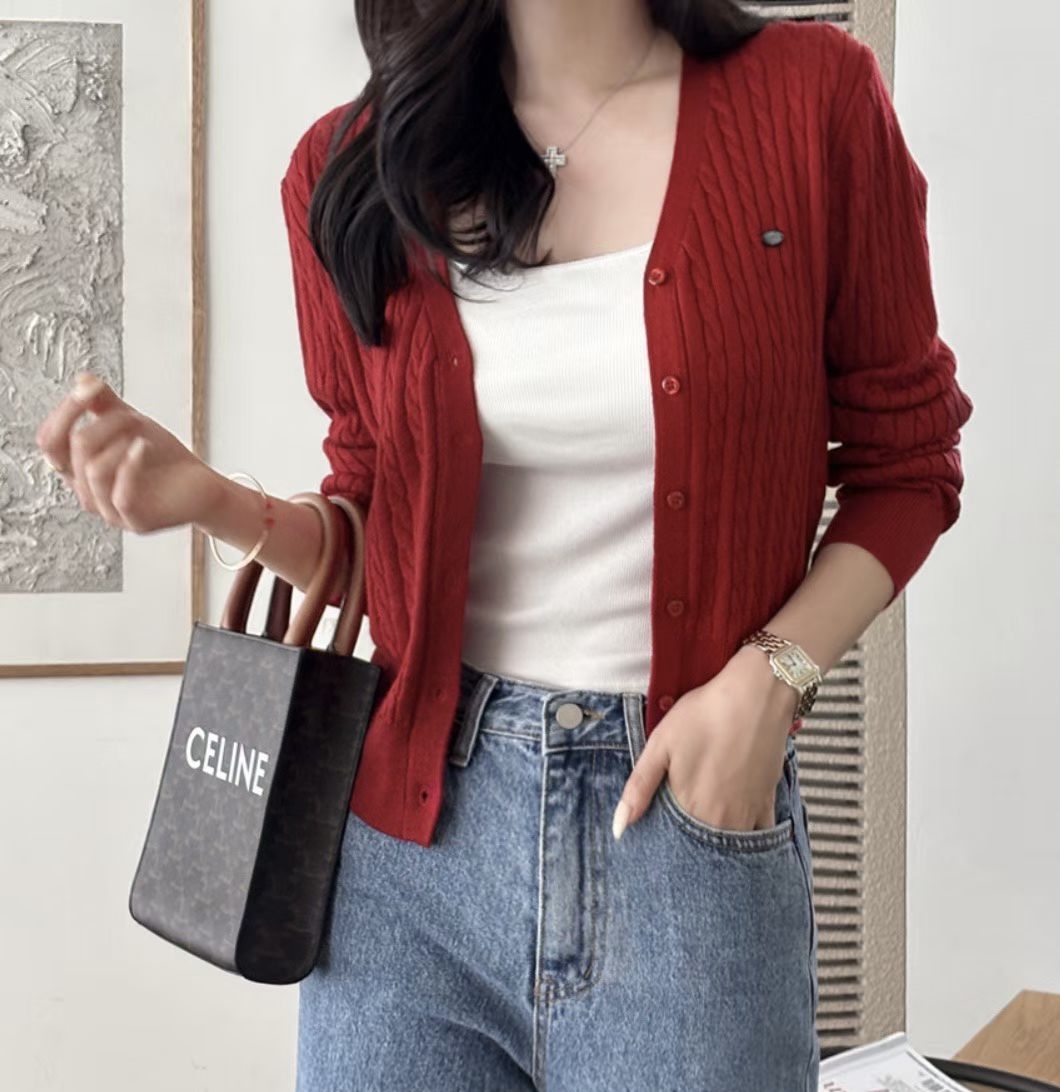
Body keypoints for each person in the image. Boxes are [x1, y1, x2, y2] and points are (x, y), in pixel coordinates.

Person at [36, 2, 974, 1089]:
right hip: (408, 867)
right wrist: (212, 502)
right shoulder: (349, 166)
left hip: (684, 833)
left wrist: (772, 681)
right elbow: (381, 524)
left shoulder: (811, 101)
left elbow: (910, 468)